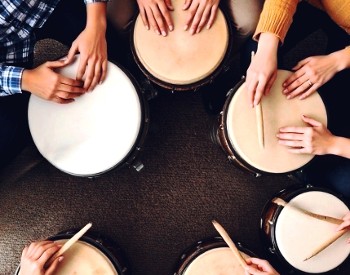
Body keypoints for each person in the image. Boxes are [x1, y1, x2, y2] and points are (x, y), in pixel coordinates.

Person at [0, 0, 127, 169]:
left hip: (49, 6)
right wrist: (27, 80)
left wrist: (96, 25)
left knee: (116, 64)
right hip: (8, 55)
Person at [244, 0, 350, 199]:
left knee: (339, 182)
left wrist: (334, 144)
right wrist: (267, 47)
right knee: (252, 53)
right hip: (319, 6)